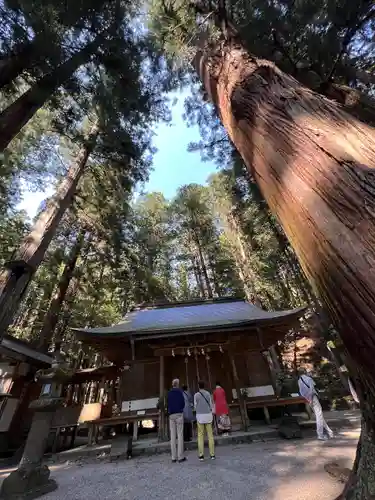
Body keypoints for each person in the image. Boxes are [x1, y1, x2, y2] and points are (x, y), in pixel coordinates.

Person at [298, 369, 333, 441]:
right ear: (305, 372)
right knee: (319, 415)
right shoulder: (309, 379)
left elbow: (301, 392)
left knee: (319, 415)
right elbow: (311, 389)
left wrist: (307, 399)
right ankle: (320, 435)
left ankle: (329, 431)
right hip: (313, 398)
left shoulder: (299, 381)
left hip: (307, 399)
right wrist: (310, 398)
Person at [194, 381, 215, 461]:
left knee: (200, 436)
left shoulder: (196, 395)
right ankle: (212, 454)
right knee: (210, 435)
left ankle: (201, 455)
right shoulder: (208, 394)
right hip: (208, 415)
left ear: (198, 386)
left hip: (200, 416)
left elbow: (195, 407)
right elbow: (210, 405)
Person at [167, 378, 186, 463]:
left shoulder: (169, 393)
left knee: (173, 436)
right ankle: (180, 456)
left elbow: (167, 403)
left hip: (171, 415)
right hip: (179, 414)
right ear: (177, 384)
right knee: (180, 435)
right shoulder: (180, 392)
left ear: (172, 384)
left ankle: (173, 457)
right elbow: (183, 403)